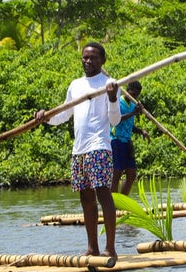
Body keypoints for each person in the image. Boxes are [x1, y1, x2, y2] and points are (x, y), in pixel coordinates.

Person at [35, 42, 122, 258]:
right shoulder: (76, 85)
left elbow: (115, 120)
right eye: (85, 57)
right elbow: (64, 114)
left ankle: (110, 248)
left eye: (93, 58)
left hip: (99, 147)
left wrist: (112, 98)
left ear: (103, 61)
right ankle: (92, 247)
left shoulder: (109, 84)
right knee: (86, 198)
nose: (88, 61)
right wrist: (45, 118)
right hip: (79, 150)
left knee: (104, 194)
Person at [111, 80, 150, 195]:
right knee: (116, 173)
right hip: (116, 140)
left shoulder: (133, 105)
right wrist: (134, 113)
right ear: (128, 91)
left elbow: (130, 125)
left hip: (127, 141)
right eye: (133, 93)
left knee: (131, 174)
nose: (135, 96)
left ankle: (122, 201)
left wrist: (141, 131)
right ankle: (113, 204)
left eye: (137, 94)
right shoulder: (119, 103)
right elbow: (116, 120)